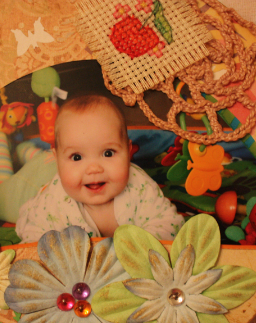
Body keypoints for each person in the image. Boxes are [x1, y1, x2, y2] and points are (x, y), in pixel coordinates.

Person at [16, 94, 184, 243]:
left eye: (108, 153)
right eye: (76, 157)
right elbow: (33, 239)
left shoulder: (140, 186)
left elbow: (170, 224)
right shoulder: (52, 200)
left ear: (128, 151)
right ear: (57, 158)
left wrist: (138, 245)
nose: (94, 169)